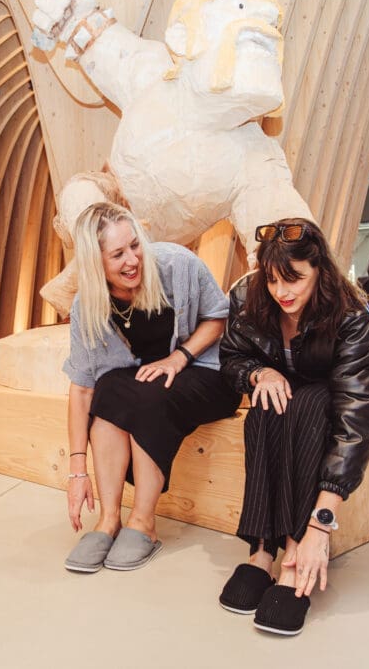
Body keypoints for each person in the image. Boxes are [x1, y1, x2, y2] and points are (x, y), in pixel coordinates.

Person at [217, 218, 369, 636]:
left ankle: (294, 553)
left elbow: (355, 415)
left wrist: (320, 525)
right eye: (274, 280)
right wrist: (258, 374)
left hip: (337, 391)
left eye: (294, 279)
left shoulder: (349, 312)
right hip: (284, 386)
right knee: (264, 408)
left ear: (319, 270)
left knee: (309, 406)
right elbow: (232, 358)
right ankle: (261, 550)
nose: (282, 292)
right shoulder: (247, 296)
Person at [62, 202, 242, 573]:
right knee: (109, 389)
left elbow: (219, 316)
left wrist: (180, 358)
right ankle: (109, 519)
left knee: (149, 395)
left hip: (207, 372)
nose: (132, 260)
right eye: (117, 254)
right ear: (96, 264)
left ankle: (144, 522)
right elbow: (82, 389)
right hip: (148, 380)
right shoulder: (88, 307)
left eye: (135, 245)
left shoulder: (177, 264)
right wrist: (77, 471)